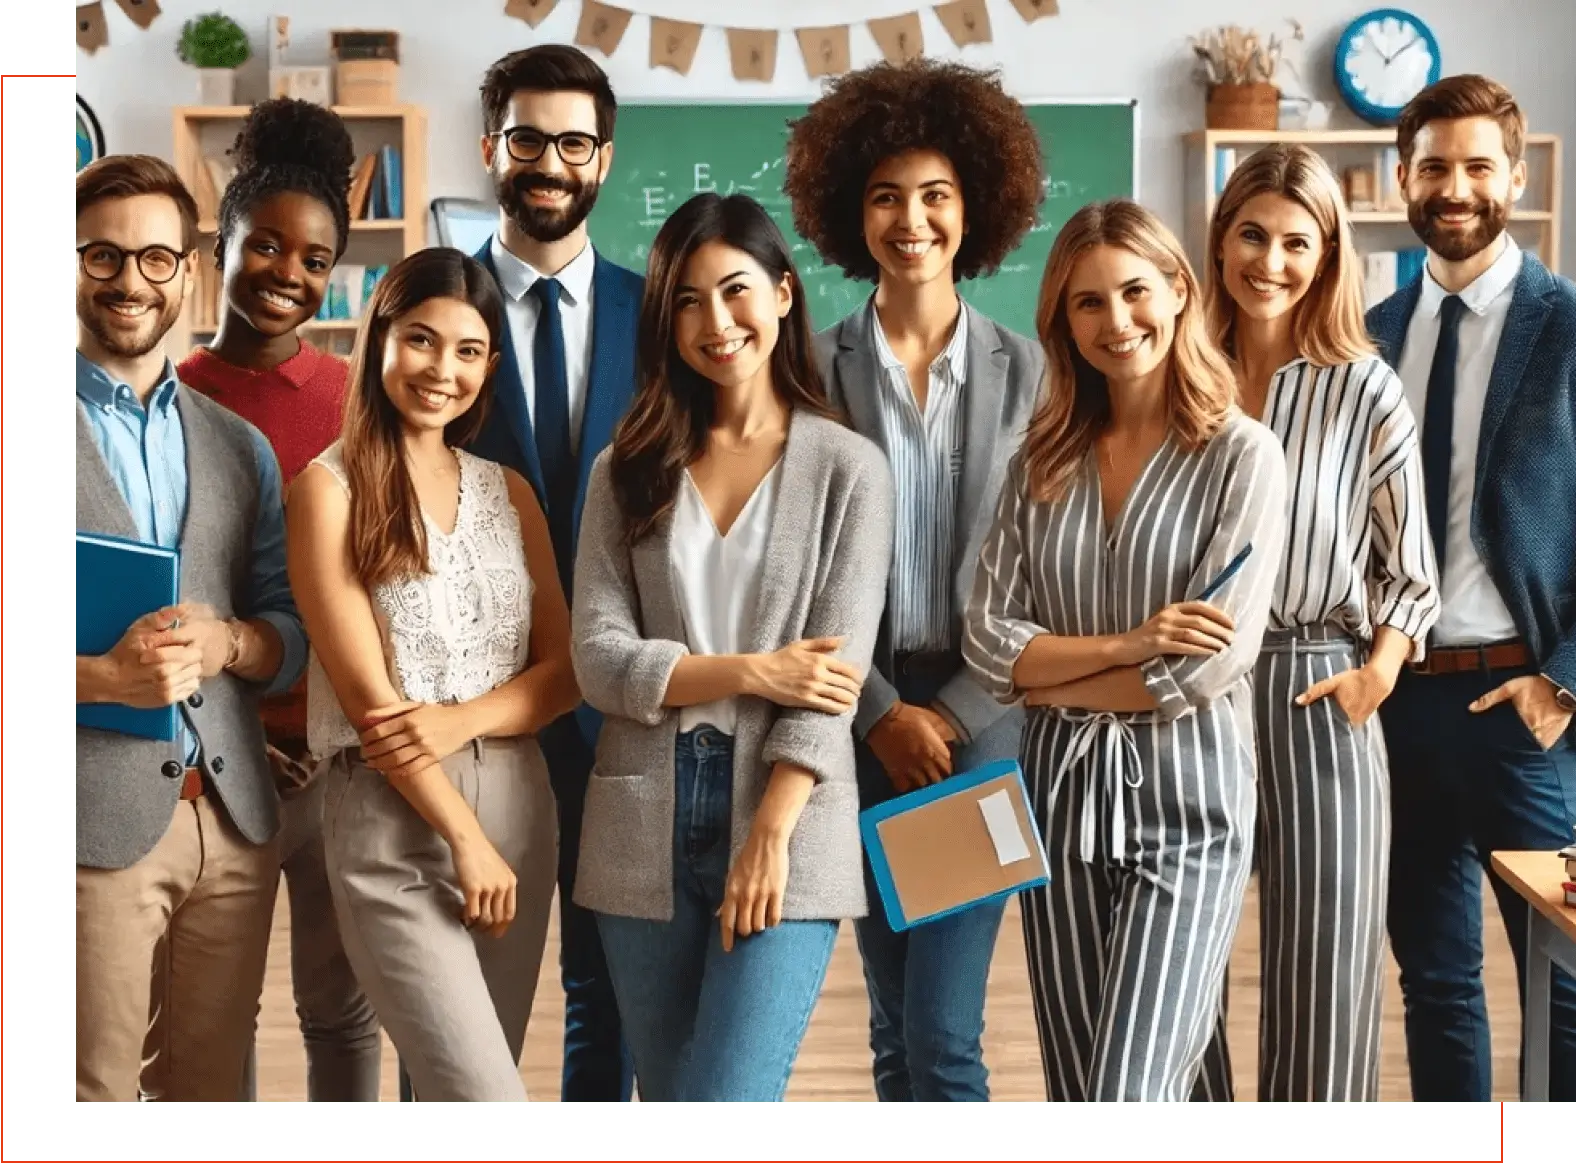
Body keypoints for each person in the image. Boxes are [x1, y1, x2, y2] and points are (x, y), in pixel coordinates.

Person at [570, 193, 894, 1102]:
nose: (715, 321)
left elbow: (830, 682)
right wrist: (754, 670)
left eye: (735, 290)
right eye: (686, 300)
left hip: (786, 809)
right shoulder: (625, 468)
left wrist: (770, 834)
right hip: (641, 816)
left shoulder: (849, 470)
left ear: (784, 294)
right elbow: (597, 658)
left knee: (728, 1101)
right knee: (674, 1102)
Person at [962, 198, 1288, 1103]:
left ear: (1179, 289)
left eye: (1135, 291)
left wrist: (1049, 678)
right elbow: (987, 643)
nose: (1117, 320)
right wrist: (1128, 643)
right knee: (1083, 1095)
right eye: (1088, 302)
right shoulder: (1040, 459)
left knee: (1127, 1095)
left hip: (1190, 809)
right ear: (1063, 322)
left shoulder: (1243, 457)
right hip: (1059, 806)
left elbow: (1200, 669)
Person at [783, 59, 1044, 1103]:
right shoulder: (806, 370)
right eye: (886, 196)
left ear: (973, 207)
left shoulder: (1034, 372)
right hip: (857, 712)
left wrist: (958, 710)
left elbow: (1049, 568)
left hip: (985, 720)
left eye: (936, 194)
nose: (911, 219)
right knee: (893, 1028)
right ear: (853, 214)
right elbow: (796, 566)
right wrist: (882, 712)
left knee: (942, 1032)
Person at [288, 247, 578, 1103]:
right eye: (421, 339)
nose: (441, 369)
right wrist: (465, 837)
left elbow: (564, 672)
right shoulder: (327, 489)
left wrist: (463, 719)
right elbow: (371, 705)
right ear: (379, 338)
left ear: (489, 366)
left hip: (519, 807)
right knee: (487, 1101)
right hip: (393, 817)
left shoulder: (508, 492)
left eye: (468, 350)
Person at [1186, 144, 1443, 1104]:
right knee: (1181, 963)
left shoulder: (1365, 387)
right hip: (1191, 693)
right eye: (1253, 235)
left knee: (1328, 976)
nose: (1271, 261)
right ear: (1220, 240)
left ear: (1328, 255)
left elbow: (1410, 568)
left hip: (1318, 682)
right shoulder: (1179, 376)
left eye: (1298, 242)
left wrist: (1376, 674)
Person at [73, 154, 307, 1102]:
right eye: (102, 255)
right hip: (85, 828)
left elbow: (287, 628)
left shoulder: (237, 444)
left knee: (210, 1094)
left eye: (156, 258)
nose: (131, 280)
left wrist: (232, 645)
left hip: (234, 824)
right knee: (89, 1094)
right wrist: (97, 679)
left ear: (191, 269)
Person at [1366, 75, 1576, 1103]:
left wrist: (1561, 682)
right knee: (1436, 980)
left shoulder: (1566, 327)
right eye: (1434, 167)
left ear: (1515, 178)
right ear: (1402, 178)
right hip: (1397, 703)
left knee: (1564, 983)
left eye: (1477, 167)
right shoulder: (1369, 332)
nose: (1455, 188)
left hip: (1521, 705)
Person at [172, 97, 381, 1105]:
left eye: (314, 259)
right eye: (265, 246)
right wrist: (242, 731)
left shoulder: (356, 399)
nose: (288, 274)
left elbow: (382, 583)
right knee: (218, 1015)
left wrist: (341, 729)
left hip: (340, 760)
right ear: (222, 246)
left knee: (342, 1011)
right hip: (215, 764)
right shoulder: (171, 398)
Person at [468, 42, 642, 1103]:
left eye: (574, 143)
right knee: (458, 998)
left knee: (604, 993)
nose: (550, 163)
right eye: (528, 138)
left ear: (604, 160)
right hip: (472, 709)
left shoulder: (660, 313)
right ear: (491, 146)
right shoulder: (432, 308)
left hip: (619, 712)